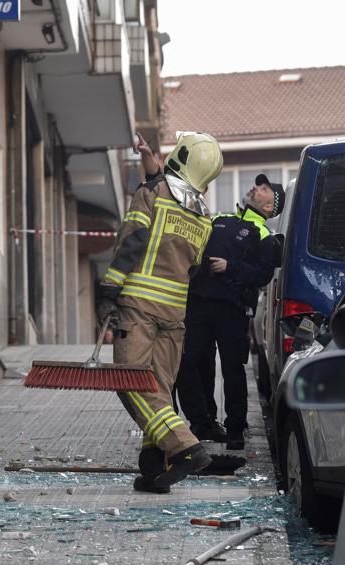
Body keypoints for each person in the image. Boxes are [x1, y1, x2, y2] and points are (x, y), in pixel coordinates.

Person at [100, 131, 224, 493]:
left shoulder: (152, 195)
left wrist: (109, 290)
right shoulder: (204, 218)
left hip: (138, 306)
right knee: (158, 389)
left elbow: (132, 241)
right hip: (174, 315)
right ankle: (155, 468)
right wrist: (148, 160)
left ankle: (185, 448)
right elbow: (196, 269)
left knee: (132, 383)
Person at [175, 175, 284, 450]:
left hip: (232, 311)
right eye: (258, 185)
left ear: (270, 206)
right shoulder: (219, 218)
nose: (255, 188)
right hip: (198, 305)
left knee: (233, 369)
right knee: (191, 363)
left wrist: (231, 267)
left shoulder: (264, 236)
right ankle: (204, 421)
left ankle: (235, 427)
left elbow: (263, 274)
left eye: (263, 189)